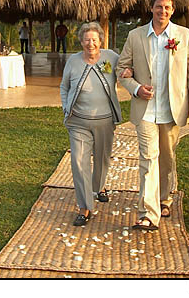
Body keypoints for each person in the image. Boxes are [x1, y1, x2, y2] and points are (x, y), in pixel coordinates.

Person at [117, 0, 189, 231]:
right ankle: (148, 213)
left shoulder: (184, 36)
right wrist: (135, 89)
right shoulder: (135, 36)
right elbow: (122, 68)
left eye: (167, 7)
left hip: (172, 110)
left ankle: (165, 198)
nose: (162, 11)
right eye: (158, 7)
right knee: (148, 158)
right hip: (145, 111)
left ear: (172, 10)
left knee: (167, 158)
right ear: (151, 8)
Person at [60, 22, 123, 226]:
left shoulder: (111, 57)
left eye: (94, 39)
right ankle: (85, 206)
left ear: (100, 41)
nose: (90, 43)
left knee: (102, 158)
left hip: (104, 120)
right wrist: (65, 106)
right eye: (86, 40)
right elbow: (64, 86)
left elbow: (126, 69)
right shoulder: (73, 61)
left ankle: (99, 186)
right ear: (81, 41)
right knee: (79, 161)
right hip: (78, 120)